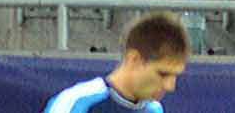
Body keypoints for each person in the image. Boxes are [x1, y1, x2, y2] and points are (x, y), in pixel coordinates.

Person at [40, 14, 190, 113]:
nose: (170, 86)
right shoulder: (77, 103)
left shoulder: (154, 110)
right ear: (134, 59)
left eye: (175, 76)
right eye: (162, 74)